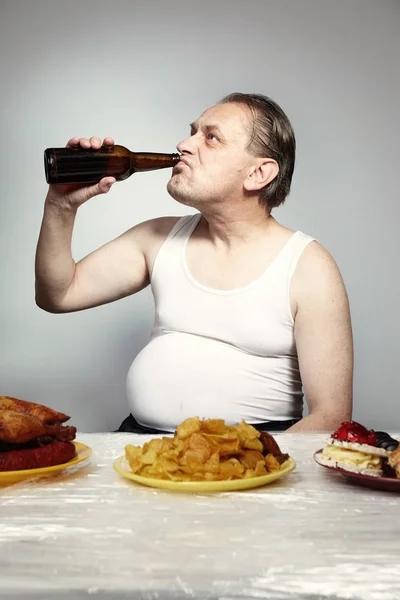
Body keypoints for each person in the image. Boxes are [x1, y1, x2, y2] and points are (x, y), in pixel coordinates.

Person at [35, 92, 353, 434]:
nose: (184, 144)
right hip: (144, 449)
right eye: (192, 131)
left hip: (252, 458)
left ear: (258, 173)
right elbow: (59, 294)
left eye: (211, 138)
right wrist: (61, 207)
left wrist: (249, 467)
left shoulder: (307, 265)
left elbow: (331, 417)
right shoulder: (158, 237)